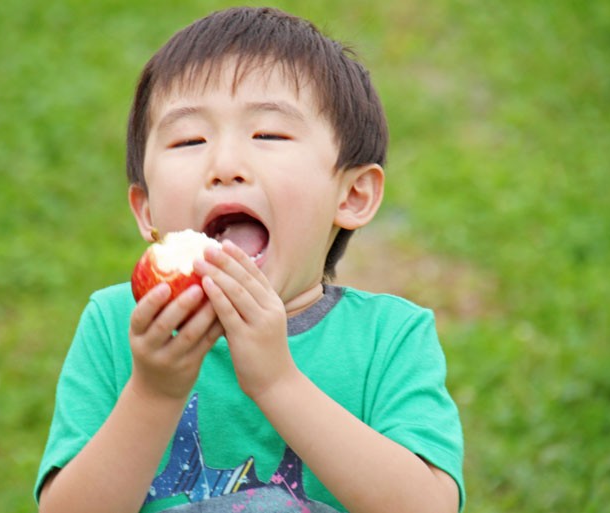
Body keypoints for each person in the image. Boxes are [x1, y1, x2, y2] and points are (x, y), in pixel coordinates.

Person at [35, 6, 465, 513]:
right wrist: (155, 392)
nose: (224, 166)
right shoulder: (119, 328)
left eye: (269, 136)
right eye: (188, 140)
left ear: (351, 196)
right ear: (146, 209)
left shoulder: (389, 339)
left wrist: (277, 381)